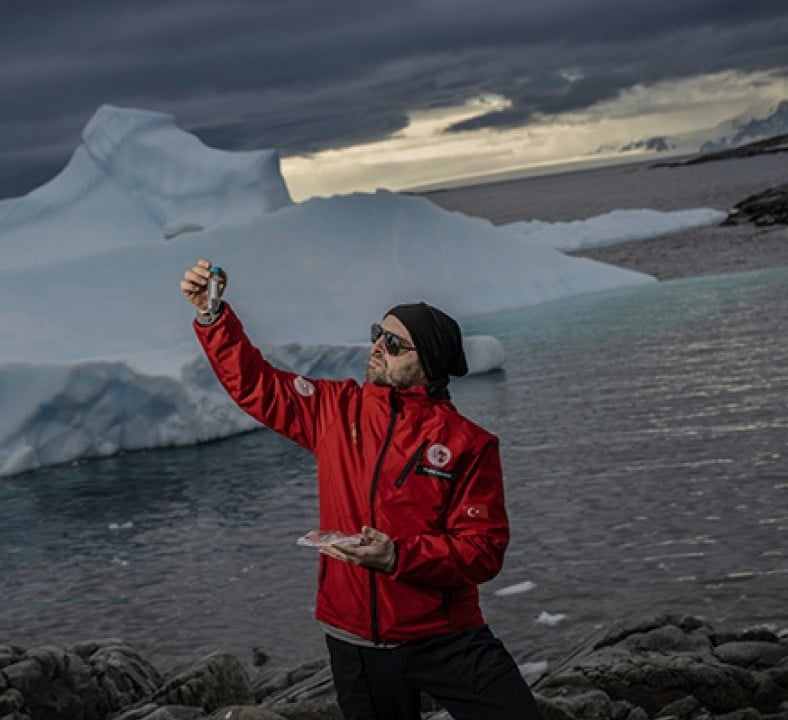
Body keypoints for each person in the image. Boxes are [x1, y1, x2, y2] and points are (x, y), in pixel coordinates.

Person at [180, 258, 542, 720]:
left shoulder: (467, 445)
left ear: (427, 361)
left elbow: (483, 551)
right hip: (355, 640)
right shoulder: (335, 410)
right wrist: (212, 317)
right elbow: (256, 385)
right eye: (377, 333)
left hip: (444, 635)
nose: (377, 347)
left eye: (393, 343)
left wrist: (397, 556)